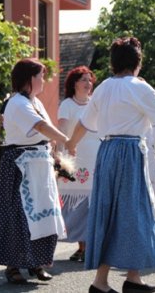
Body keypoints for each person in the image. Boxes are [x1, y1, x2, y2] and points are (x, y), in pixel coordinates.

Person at [65, 37, 155, 293]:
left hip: (106, 152)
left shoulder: (104, 87)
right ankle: (125, 278)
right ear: (137, 62)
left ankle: (111, 280)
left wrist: (71, 144)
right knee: (135, 212)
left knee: (111, 212)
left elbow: (84, 123)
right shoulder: (139, 87)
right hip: (129, 152)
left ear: (114, 62)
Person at [0, 58, 69, 284]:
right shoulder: (17, 102)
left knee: (42, 214)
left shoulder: (35, 101)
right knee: (19, 215)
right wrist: (67, 139)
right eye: (40, 76)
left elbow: (45, 133)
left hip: (39, 164)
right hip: (20, 166)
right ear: (29, 79)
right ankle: (13, 265)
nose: (43, 81)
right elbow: (39, 126)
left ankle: (37, 262)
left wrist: (56, 153)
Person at [57, 66, 99, 262]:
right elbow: (62, 129)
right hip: (75, 157)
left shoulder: (96, 104)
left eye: (90, 80)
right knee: (78, 204)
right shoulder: (67, 105)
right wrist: (59, 154)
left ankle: (90, 246)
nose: (88, 83)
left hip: (97, 156)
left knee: (94, 202)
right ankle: (82, 246)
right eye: (83, 79)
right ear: (74, 83)